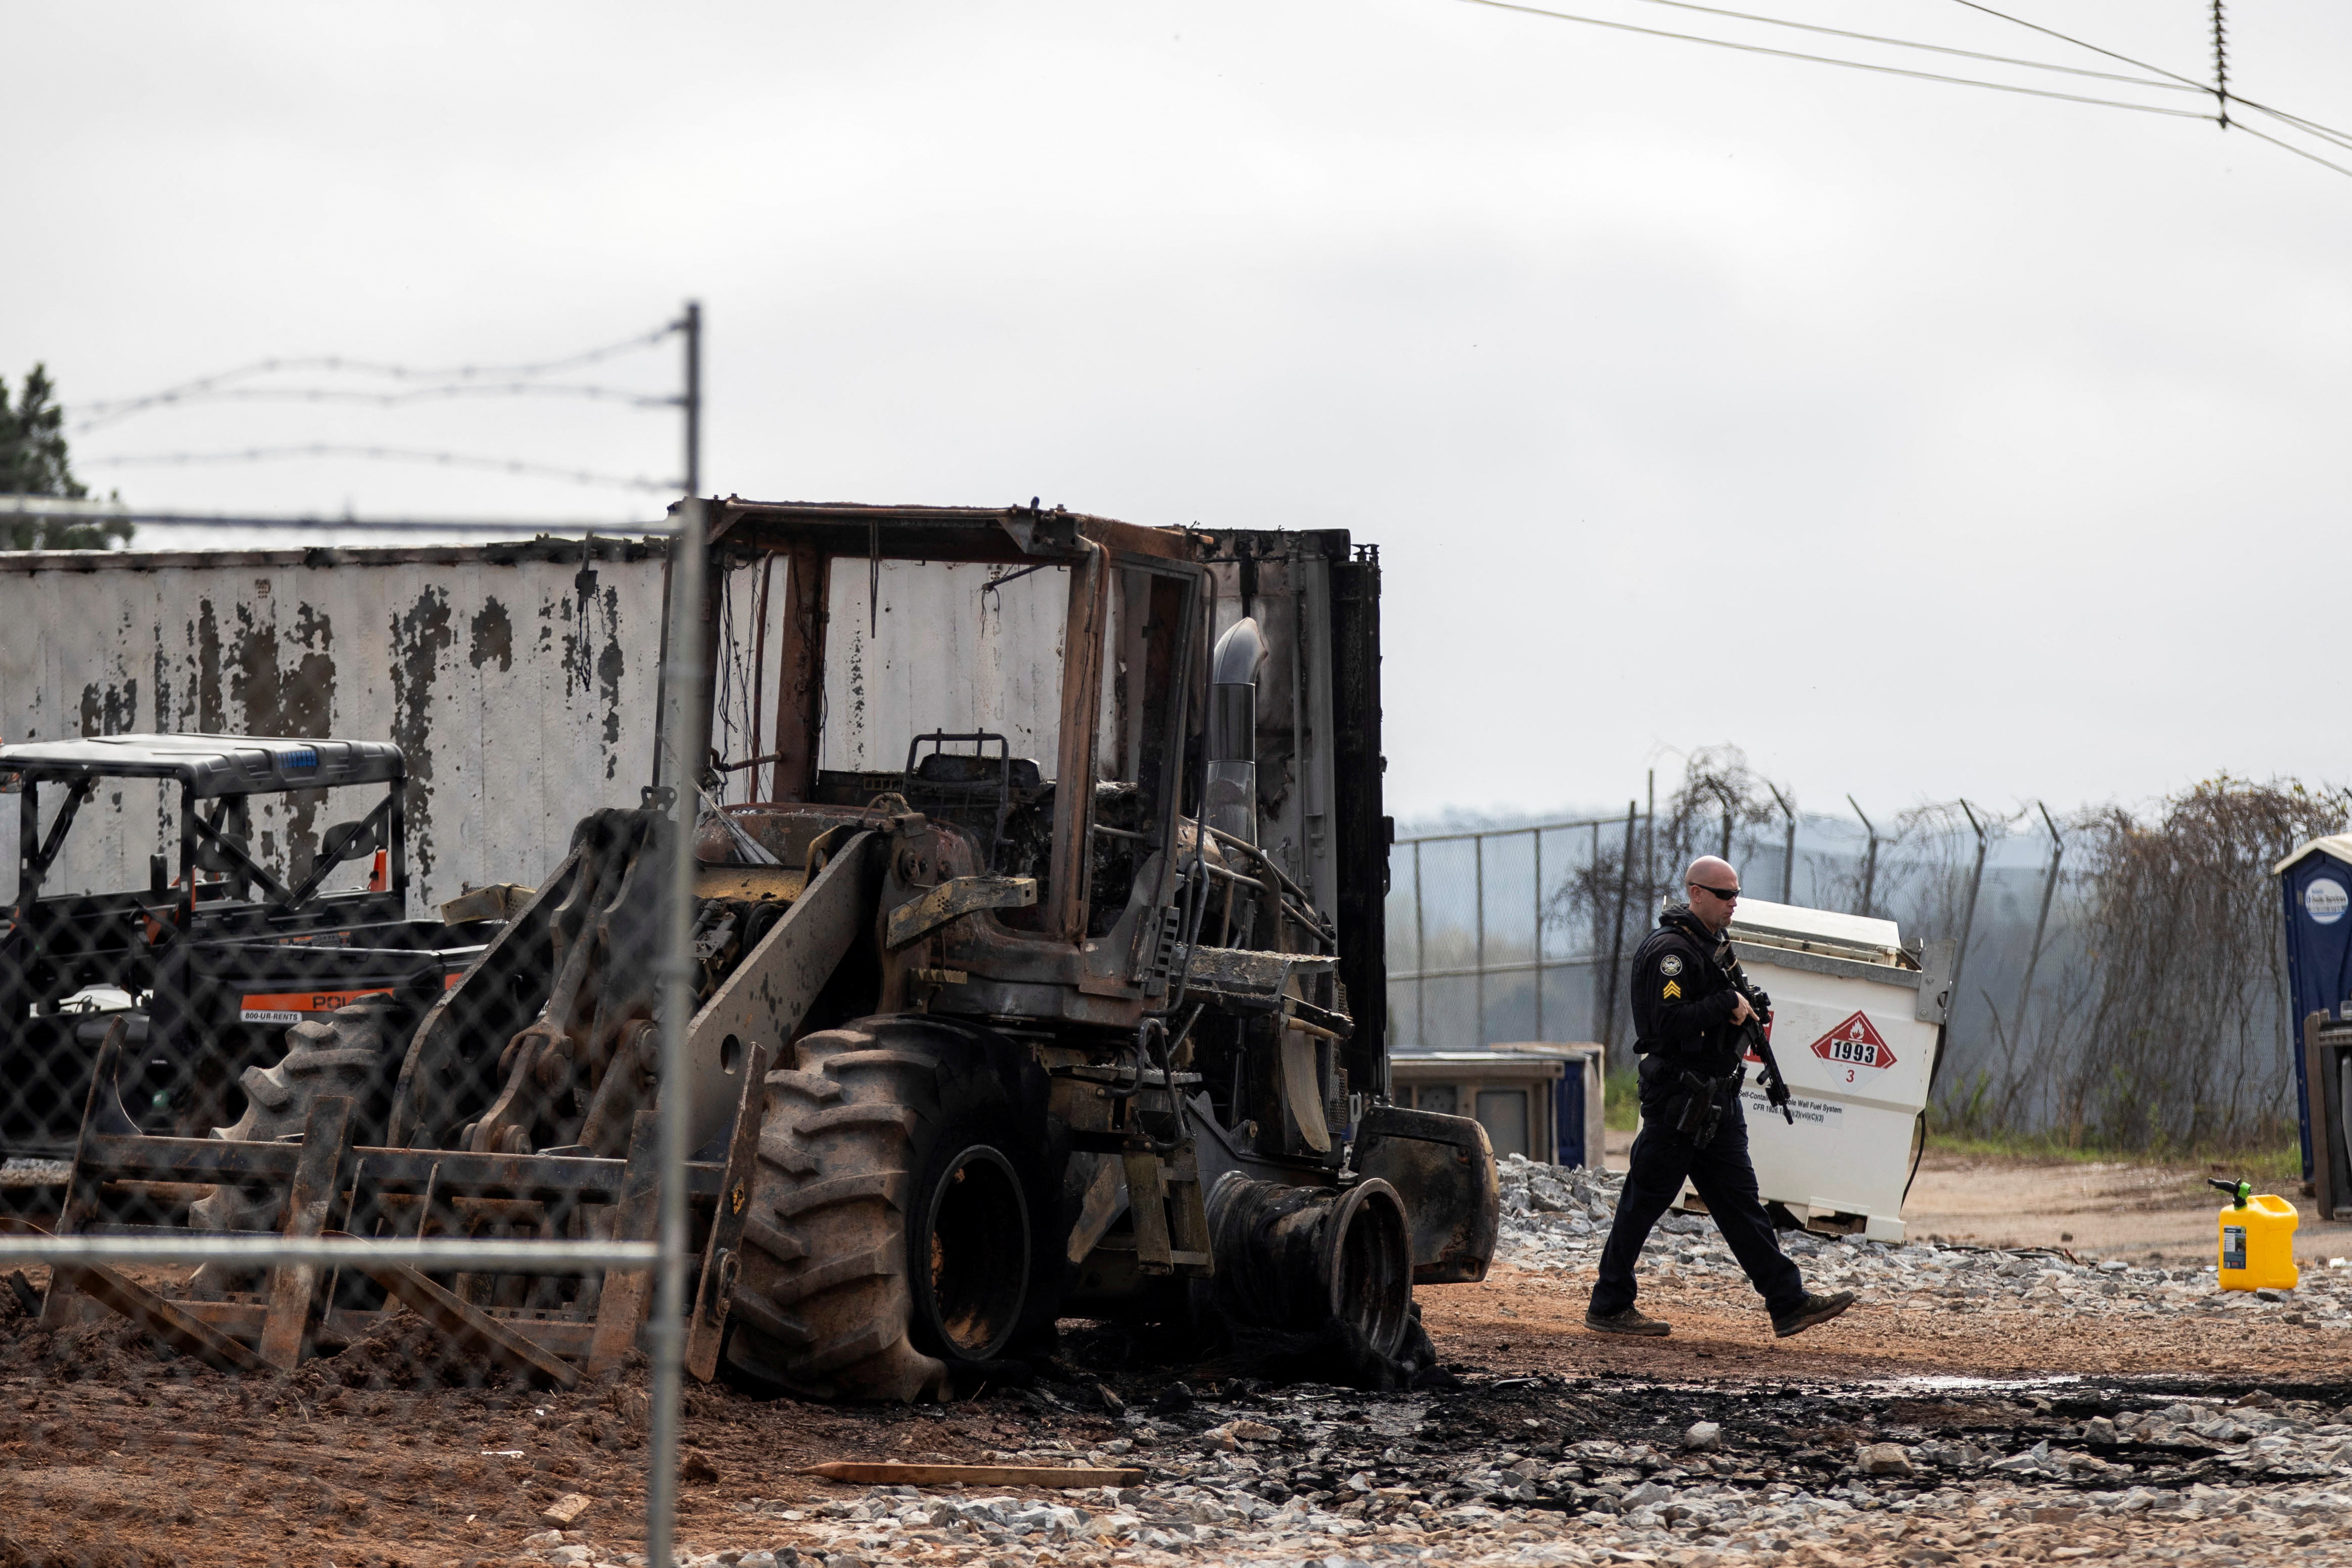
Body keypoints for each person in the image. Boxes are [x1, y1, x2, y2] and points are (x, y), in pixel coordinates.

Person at [1583, 855, 1856, 1339]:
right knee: (1643, 1201)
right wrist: (1725, 1004)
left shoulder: (1712, 947)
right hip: (1678, 1101)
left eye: (1736, 893)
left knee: (1740, 1205)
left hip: (1715, 1102)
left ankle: (1787, 1302)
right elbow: (1664, 1023)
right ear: (1695, 893)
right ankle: (1608, 1304)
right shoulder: (1671, 952)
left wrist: (1743, 1009)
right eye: (1725, 894)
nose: (1734, 903)